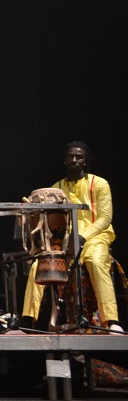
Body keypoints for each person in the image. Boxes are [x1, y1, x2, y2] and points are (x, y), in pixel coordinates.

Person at [21, 141, 122, 333]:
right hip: (64, 243)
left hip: (96, 237)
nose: (74, 160)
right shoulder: (55, 188)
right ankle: (28, 320)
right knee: (38, 266)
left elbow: (105, 218)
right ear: (65, 160)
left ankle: (112, 321)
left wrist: (83, 236)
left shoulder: (99, 184)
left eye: (79, 157)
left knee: (95, 261)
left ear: (85, 161)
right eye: (71, 156)